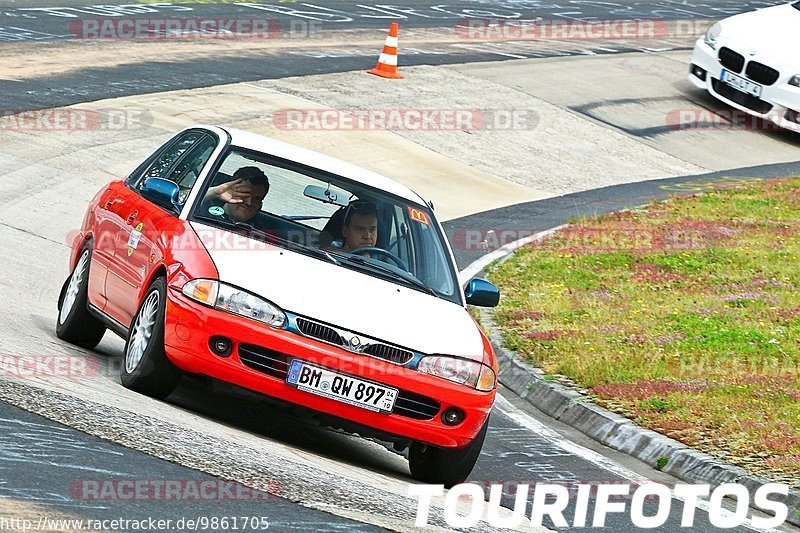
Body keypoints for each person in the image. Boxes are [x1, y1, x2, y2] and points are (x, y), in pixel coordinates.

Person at [202, 166, 269, 223]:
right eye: (244, 194)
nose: (249, 202)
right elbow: (191, 198)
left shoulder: (262, 230)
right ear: (230, 191)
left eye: (256, 199)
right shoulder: (202, 210)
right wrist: (215, 192)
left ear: (260, 205)